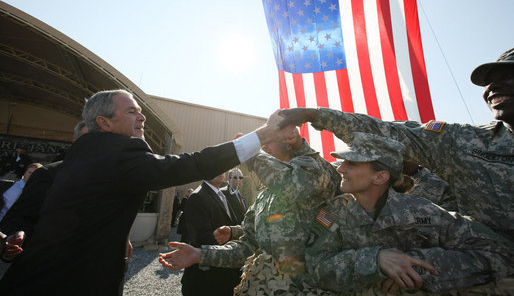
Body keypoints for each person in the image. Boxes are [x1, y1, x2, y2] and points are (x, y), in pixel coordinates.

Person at [0, 89, 295, 296]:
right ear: (104, 123)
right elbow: (192, 164)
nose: (142, 118)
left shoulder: (85, 156)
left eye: (141, 112)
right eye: (131, 112)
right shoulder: (118, 153)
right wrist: (265, 134)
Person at [278, 47, 514, 242]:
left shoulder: (419, 210)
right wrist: (316, 115)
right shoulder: (465, 141)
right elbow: (391, 133)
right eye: (490, 81)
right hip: (493, 263)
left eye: (507, 77)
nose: (492, 87)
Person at [304, 132, 514, 294]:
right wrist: (375, 260)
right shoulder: (332, 212)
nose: (340, 169)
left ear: (380, 177)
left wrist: (415, 266)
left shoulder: (422, 211)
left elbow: (498, 253)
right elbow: (316, 266)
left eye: (352, 163)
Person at [159, 129, 342, 295]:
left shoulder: (314, 177)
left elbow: (302, 182)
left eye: (268, 140)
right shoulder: (265, 196)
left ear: (288, 142)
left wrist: (249, 151)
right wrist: (200, 254)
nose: (265, 147)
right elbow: (247, 246)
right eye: (262, 143)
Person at [179, 173, 242, 296]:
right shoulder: (198, 196)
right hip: (207, 280)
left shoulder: (221, 195)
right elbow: (202, 239)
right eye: (214, 165)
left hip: (224, 276)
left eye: (221, 166)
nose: (220, 170)